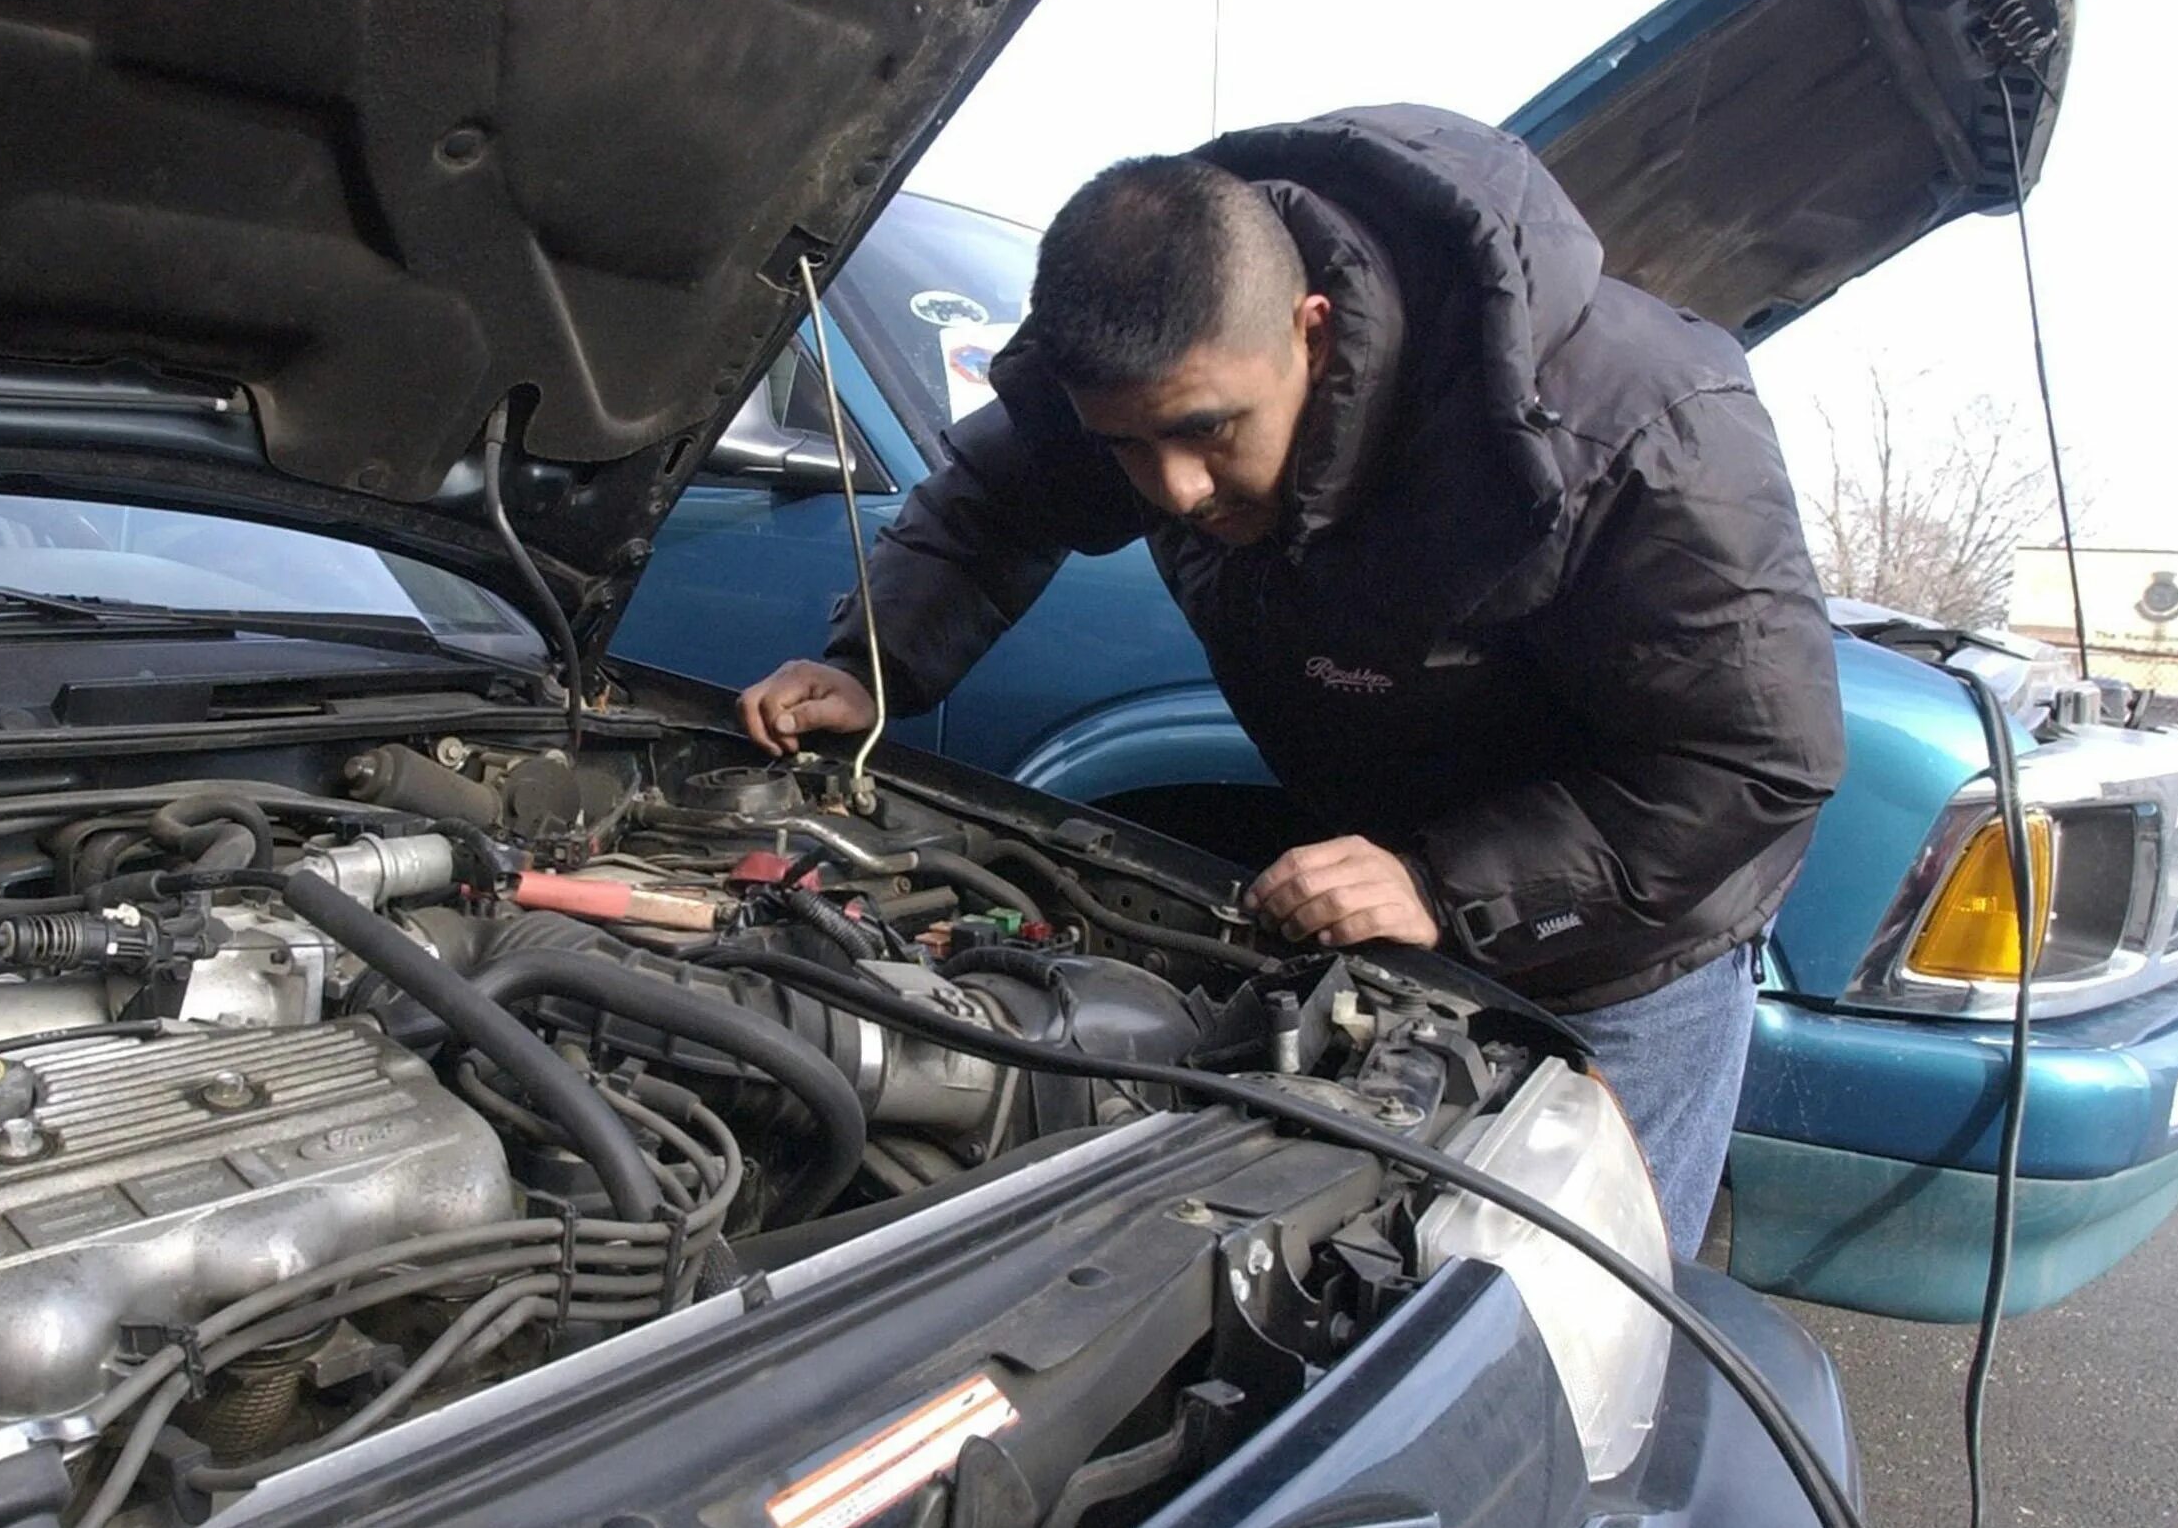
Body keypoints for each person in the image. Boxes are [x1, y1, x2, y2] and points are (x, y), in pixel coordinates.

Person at [736, 105, 1845, 1254]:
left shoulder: (1642, 435)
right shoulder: (1158, 373)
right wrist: (876, 659)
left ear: (1314, 330)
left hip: (1617, 950)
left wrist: (1449, 885)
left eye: (1209, 431)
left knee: (1563, 1318)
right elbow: (993, 498)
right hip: (1385, 894)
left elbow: (1756, 760)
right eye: (1126, 446)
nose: (1171, 488)